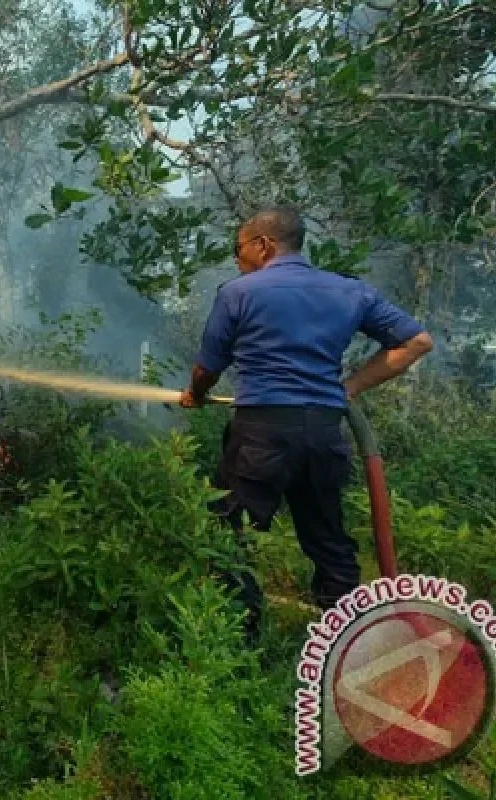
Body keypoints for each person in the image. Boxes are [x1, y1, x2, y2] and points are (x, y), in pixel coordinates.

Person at [178, 207, 434, 633]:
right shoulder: (350, 291)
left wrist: (196, 395)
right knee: (329, 541)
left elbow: (207, 368)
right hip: (323, 431)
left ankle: (237, 643)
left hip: (260, 433)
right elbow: (417, 341)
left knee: (228, 531)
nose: (236, 259)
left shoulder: (239, 293)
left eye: (237, 249)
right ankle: (347, 650)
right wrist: (347, 388)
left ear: (263, 245)